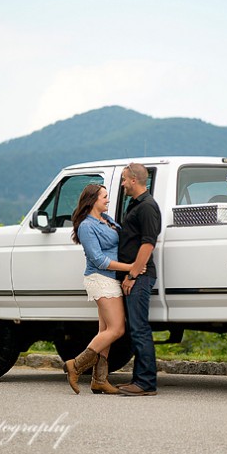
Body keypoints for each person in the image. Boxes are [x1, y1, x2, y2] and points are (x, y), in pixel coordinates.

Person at [63, 184, 142, 395]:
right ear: (93, 200)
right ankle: (76, 365)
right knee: (117, 329)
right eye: (105, 197)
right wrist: (131, 267)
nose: (108, 200)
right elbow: (98, 260)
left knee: (104, 331)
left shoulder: (106, 219)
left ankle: (99, 380)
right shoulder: (87, 226)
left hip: (110, 279)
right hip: (100, 279)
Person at [117, 163, 162, 396]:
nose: (122, 183)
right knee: (135, 328)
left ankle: (145, 383)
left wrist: (133, 274)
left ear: (134, 180)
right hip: (134, 275)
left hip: (140, 277)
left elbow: (147, 243)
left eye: (124, 179)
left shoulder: (147, 207)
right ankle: (138, 380)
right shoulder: (135, 204)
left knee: (139, 328)